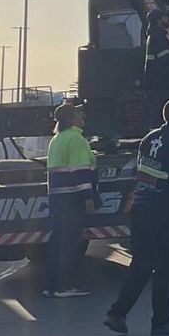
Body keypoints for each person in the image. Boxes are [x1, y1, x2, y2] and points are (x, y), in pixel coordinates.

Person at [105, 98, 169, 336]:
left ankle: (117, 313)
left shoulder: (149, 139)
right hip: (162, 212)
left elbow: (149, 173)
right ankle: (161, 322)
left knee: (141, 264)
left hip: (142, 207)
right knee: (166, 266)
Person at [43, 103, 97, 299]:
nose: (82, 116)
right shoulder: (76, 139)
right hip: (72, 200)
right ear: (71, 118)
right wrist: (87, 198)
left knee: (57, 242)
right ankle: (65, 286)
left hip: (57, 198)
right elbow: (79, 172)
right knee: (71, 244)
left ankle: (51, 286)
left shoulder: (57, 139)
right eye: (79, 113)